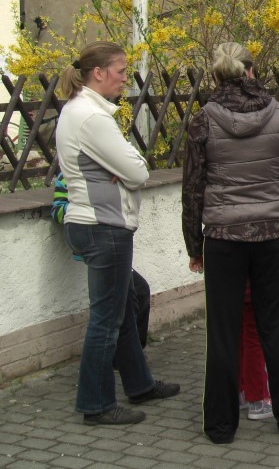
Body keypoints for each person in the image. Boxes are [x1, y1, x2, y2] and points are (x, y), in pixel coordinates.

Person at [182, 42, 279, 443]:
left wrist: (194, 246)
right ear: (251, 71)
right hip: (272, 234)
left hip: (223, 238)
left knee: (222, 332)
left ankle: (221, 426)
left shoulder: (203, 119)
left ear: (217, 75)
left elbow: (193, 188)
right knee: (276, 327)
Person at [55, 41, 180, 426]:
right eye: (121, 70)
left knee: (124, 306)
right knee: (106, 320)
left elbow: (133, 165)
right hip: (102, 226)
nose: (126, 78)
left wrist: (128, 165)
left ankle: (139, 383)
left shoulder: (84, 113)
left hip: (96, 223)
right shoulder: (91, 118)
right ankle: (95, 404)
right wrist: (129, 167)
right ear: (98, 73)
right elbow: (140, 172)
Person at [52, 171, 152, 351]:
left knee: (139, 292)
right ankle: (128, 360)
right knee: (121, 304)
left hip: (116, 244)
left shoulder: (110, 168)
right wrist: (83, 206)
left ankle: (134, 356)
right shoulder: (67, 175)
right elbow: (58, 210)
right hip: (98, 247)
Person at [238, 285, 273, 420]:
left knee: (239, 335)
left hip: (232, 286)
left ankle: (241, 392)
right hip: (252, 285)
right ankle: (258, 399)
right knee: (254, 337)